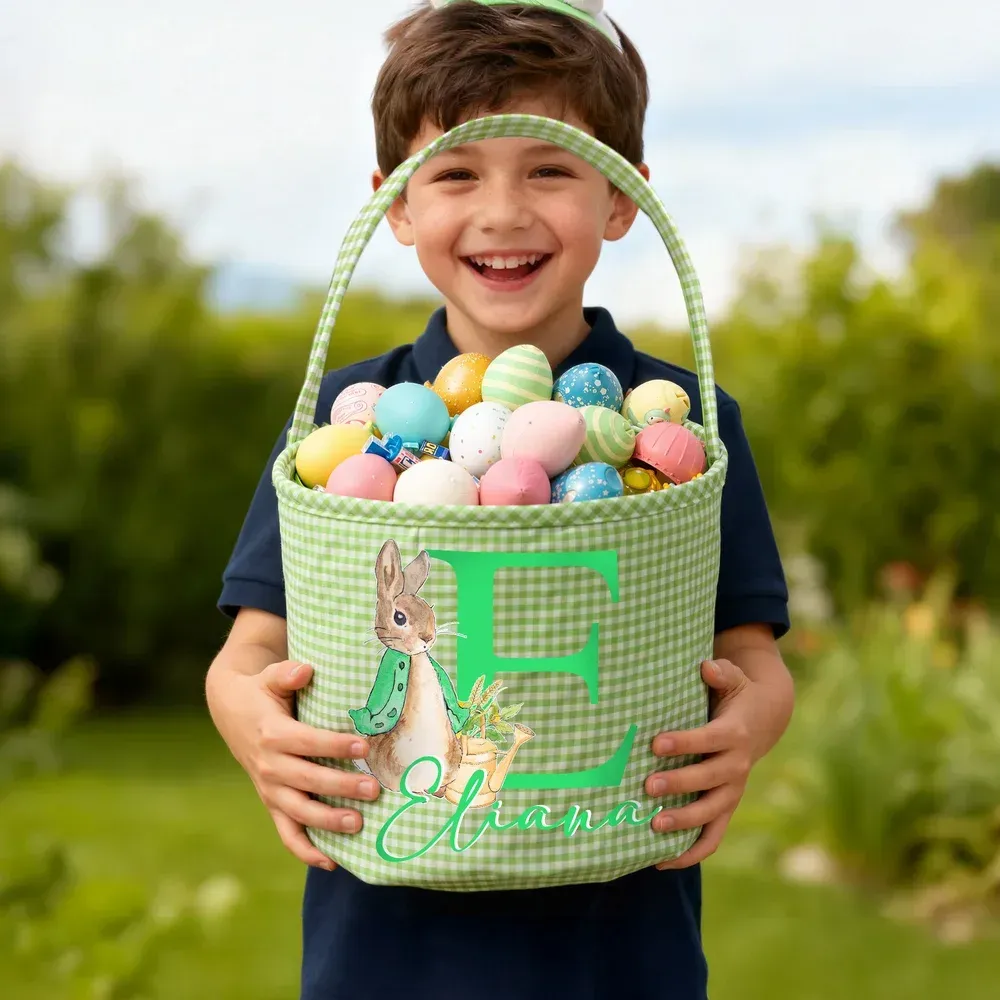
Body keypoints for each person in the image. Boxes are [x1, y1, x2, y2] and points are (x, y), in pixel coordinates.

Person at [206, 2, 794, 997]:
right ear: (395, 207)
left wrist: (747, 730)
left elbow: (755, 655)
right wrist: (251, 723)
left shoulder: (684, 426)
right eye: (456, 173)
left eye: (550, 169)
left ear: (622, 196)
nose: (504, 210)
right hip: (385, 947)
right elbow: (248, 651)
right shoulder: (342, 424)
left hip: (616, 945)